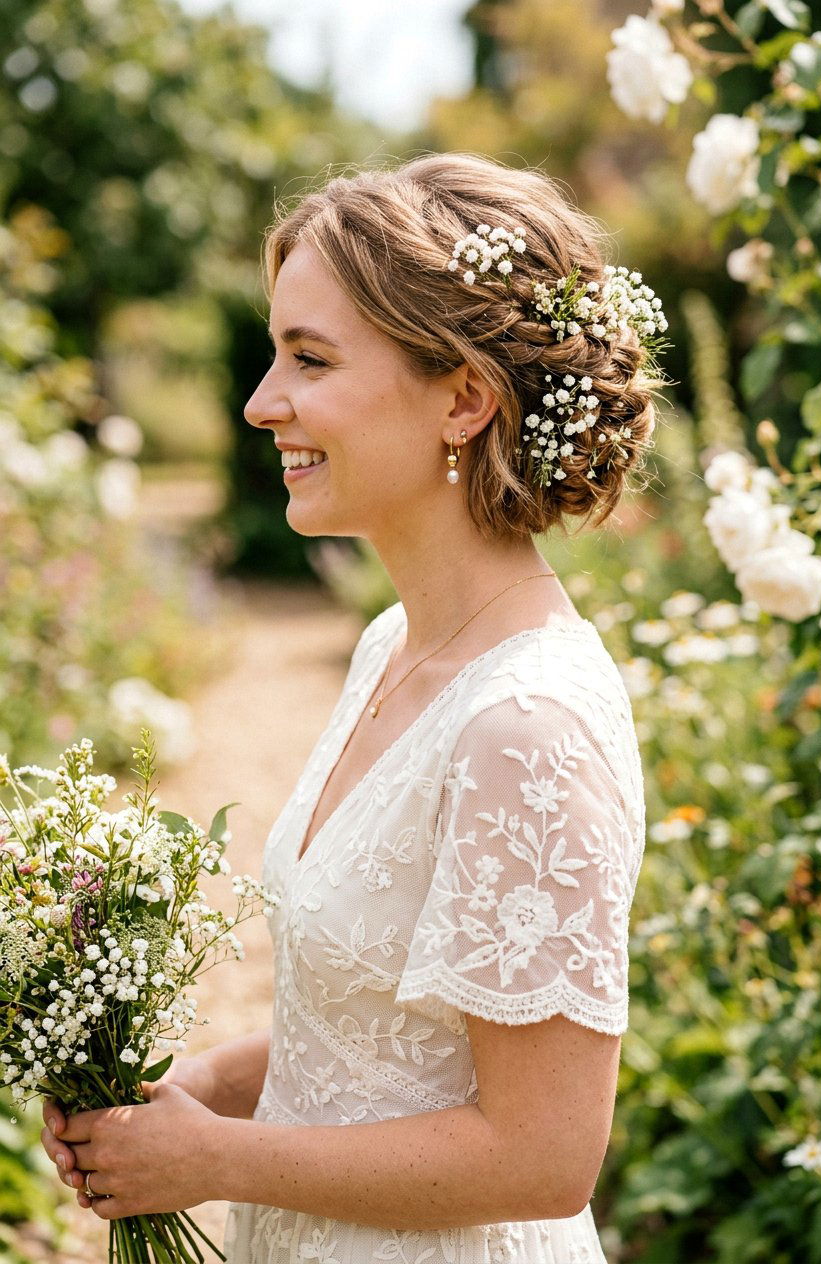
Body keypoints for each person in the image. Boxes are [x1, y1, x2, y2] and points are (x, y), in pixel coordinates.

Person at [41, 151, 666, 1263]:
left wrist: (215, 1159)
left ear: (464, 398)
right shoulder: (391, 644)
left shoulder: (526, 722)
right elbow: (386, 1028)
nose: (258, 401)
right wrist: (185, 1090)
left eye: (309, 358)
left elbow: (541, 1154)